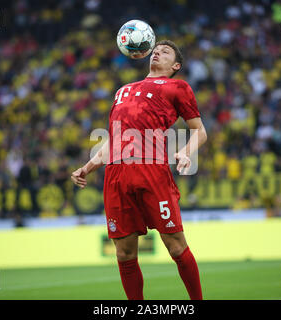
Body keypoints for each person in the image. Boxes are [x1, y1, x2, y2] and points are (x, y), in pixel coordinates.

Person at [71, 40, 207, 300]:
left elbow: (200, 131)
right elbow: (113, 138)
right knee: (124, 253)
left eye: (165, 51)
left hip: (150, 169)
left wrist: (185, 153)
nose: (157, 52)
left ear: (176, 65)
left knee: (176, 246)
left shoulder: (177, 87)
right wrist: (87, 167)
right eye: (156, 49)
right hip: (116, 174)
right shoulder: (123, 90)